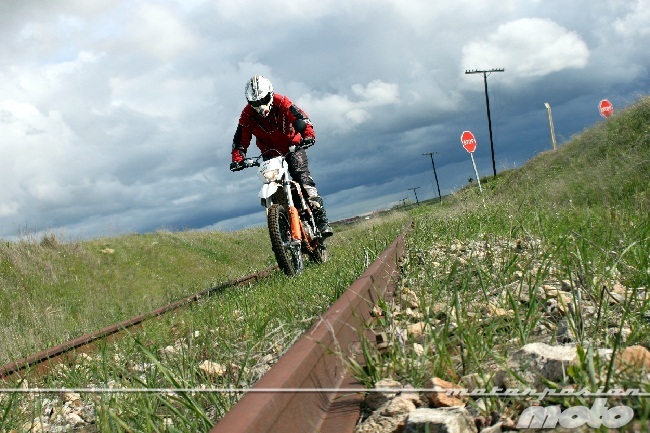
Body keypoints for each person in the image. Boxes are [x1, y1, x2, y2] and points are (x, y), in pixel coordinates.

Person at [229, 75, 333, 237]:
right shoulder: (247, 114)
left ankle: (321, 221)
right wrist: (238, 159)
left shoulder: (283, 102)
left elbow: (301, 118)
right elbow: (240, 139)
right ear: (249, 102)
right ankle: (283, 226)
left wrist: (308, 135)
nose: (260, 105)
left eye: (263, 100)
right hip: (269, 154)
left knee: (302, 176)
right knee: (272, 184)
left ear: (270, 94)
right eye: (255, 102)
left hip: (293, 147)